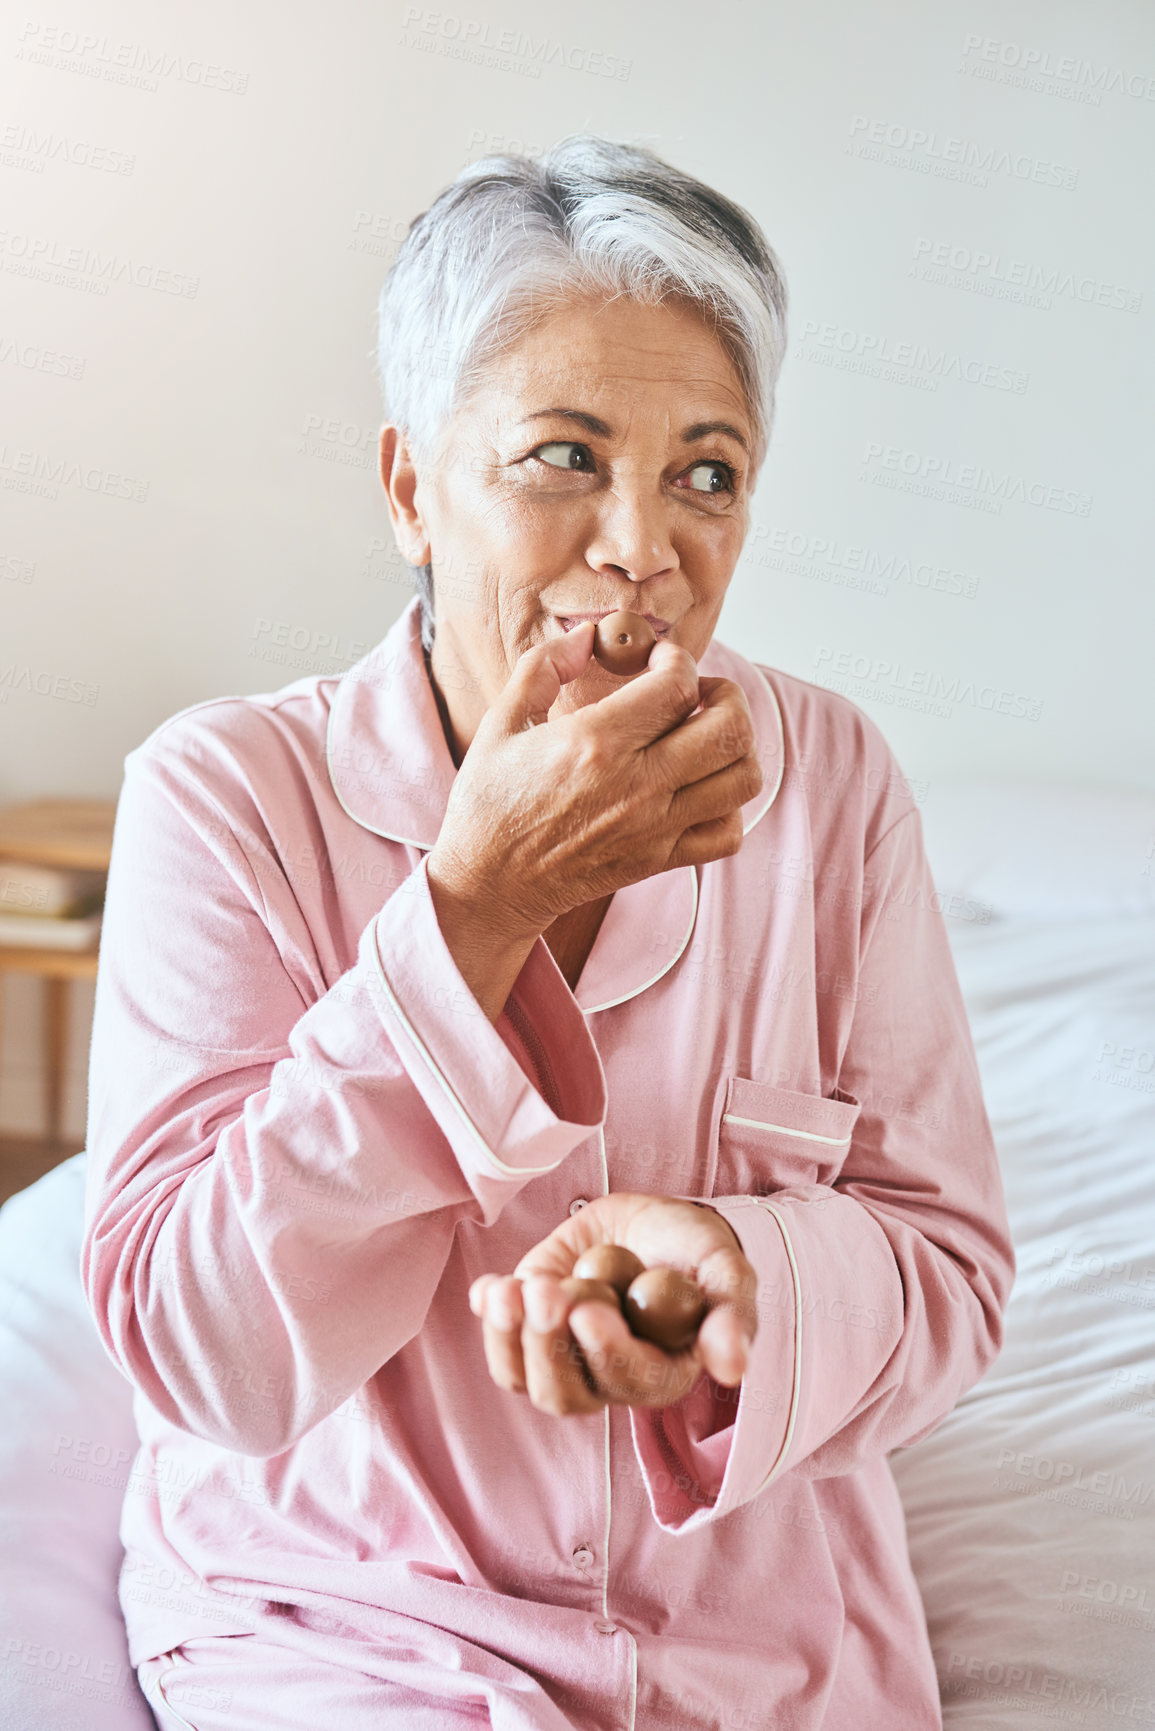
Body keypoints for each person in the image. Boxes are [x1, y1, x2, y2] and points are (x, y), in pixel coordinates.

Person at [82, 133, 1014, 1730]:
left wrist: (746, 1282)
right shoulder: (227, 796)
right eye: (563, 458)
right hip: (349, 1638)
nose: (643, 547)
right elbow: (202, 1352)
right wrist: (473, 910)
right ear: (409, 491)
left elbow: (948, 1273)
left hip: (775, 1658)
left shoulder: (833, 783)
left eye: (705, 473)